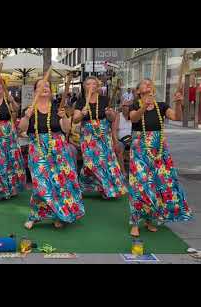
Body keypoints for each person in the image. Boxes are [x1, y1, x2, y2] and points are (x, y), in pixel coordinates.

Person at [128, 78, 193, 237]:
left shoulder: (161, 105)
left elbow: (176, 117)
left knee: (158, 184)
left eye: (150, 83)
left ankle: (151, 220)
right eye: (144, 83)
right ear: (138, 91)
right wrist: (144, 105)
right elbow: (134, 118)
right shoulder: (135, 105)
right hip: (140, 149)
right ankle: (135, 222)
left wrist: (179, 103)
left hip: (159, 149)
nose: (148, 84)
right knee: (140, 184)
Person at [19, 79, 85, 230]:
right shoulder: (29, 109)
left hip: (58, 149)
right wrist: (27, 117)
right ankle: (35, 216)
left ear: (51, 90)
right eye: (41, 86)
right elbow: (21, 129)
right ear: (35, 91)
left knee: (59, 184)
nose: (45, 88)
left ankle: (58, 215)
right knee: (40, 185)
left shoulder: (58, 108)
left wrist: (64, 117)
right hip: (38, 149)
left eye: (47, 86)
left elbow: (67, 130)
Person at [73, 76, 127, 199]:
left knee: (107, 162)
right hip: (88, 137)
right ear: (84, 87)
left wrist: (110, 114)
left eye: (94, 84)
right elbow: (75, 120)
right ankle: (83, 186)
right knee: (90, 163)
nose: (91, 86)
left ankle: (108, 189)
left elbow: (112, 118)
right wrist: (82, 113)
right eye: (88, 84)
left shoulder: (104, 100)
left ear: (97, 87)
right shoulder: (81, 101)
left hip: (103, 136)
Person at [0, 73, 26, 204]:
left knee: (11, 161)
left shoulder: (8, 99)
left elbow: (17, 109)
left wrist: (12, 100)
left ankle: (12, 188)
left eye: (0, 84)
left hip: (9, 134)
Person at [112, 100, 132, 175]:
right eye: (123, 106)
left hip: (132, 138)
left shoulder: (133, 115)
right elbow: (114, 130)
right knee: (119, 148)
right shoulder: (118, 116)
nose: (125, 108)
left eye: (127, 106)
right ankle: (123, 171)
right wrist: (116, 141)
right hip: (121, 140)